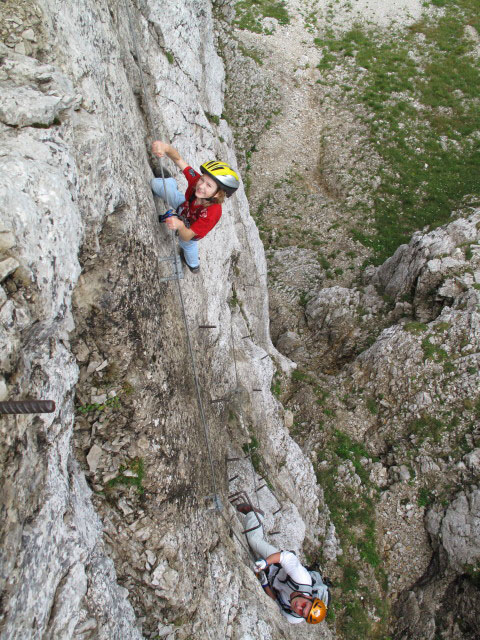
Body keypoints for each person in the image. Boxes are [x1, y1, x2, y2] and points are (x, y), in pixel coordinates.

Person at [151, 141, 240, 273]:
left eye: (209, 186)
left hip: (190, 230)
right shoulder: (196, 181)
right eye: (202, 180)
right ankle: (169, 182)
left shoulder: (212, 213)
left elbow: (186, 236)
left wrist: (180, 225)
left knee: (186, 245)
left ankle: (194, 265)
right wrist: (166, 148)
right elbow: (178, 159)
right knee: (155, 184)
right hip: (184, 207)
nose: (201, 186)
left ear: (218, 194)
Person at [237, 503, 329, 625]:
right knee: (254, 541)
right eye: (304, 605)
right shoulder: (302, 579)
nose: (299, 607)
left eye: (302, 612)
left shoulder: (293, 617)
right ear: (309, 598)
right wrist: (265, 562)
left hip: (271, 580)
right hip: (277, 563)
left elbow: (276, 602)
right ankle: (256, 514)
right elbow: (285, 557)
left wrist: (264, 585)